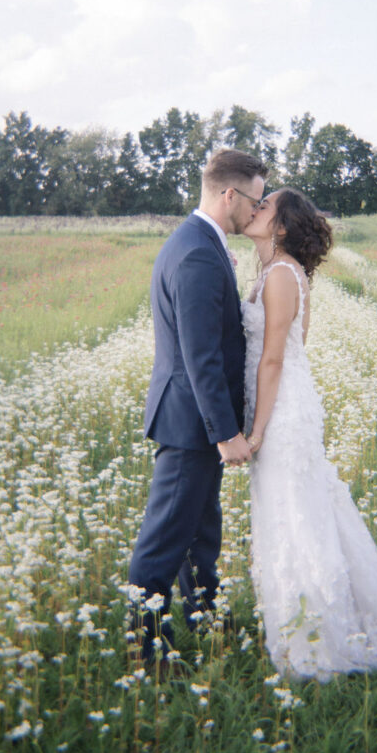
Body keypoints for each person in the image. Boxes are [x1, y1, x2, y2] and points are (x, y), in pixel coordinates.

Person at [243, 187, 377, 680]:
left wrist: (258, 428)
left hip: (282, 414)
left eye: (265, 206)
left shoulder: (282, 275)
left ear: (282, 227)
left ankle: (318, 638)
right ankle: (299, 625)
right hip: (280, 405)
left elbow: (274, 358)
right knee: (291, 511)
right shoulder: (271, 271)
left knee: (297, 513)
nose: (255, 207)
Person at [128, 148, 267, 661]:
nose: (257, 210)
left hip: (194, 422)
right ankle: (145, 650)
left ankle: (206, 621)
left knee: (199, 534)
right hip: (190, 424)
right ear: (229, 194)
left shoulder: (202, 243)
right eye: (254, 200)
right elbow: (200, 356)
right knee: (164, 540)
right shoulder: (196, 254)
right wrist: (225, 433)